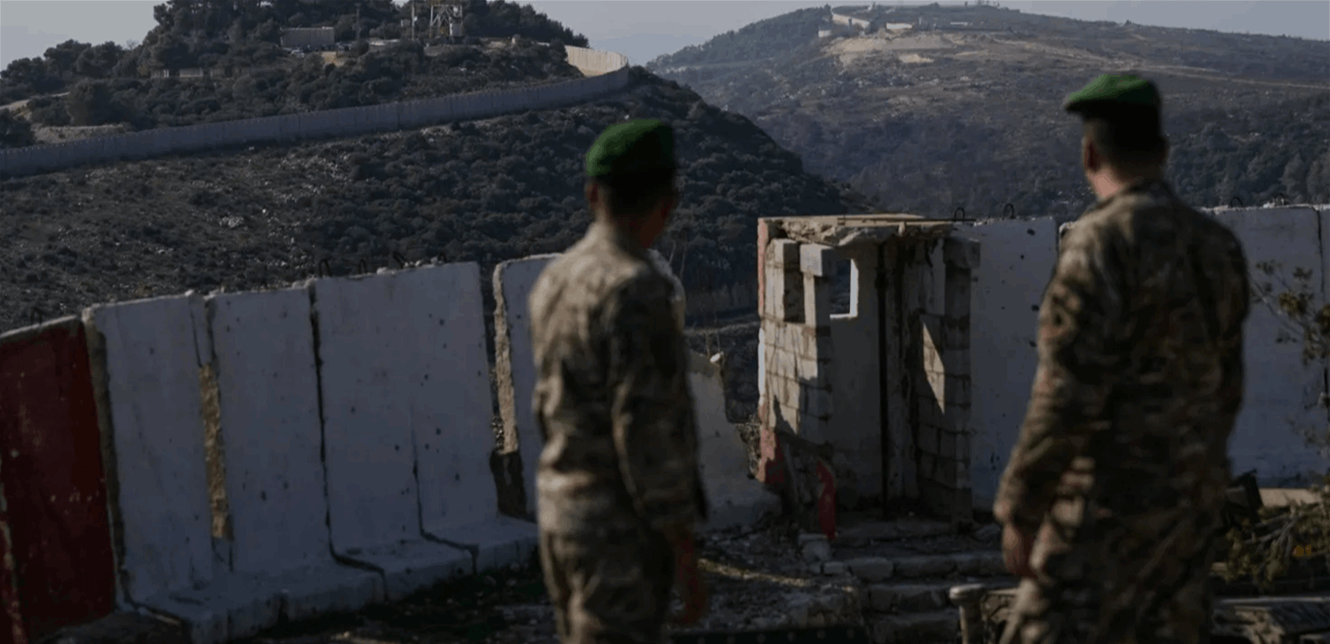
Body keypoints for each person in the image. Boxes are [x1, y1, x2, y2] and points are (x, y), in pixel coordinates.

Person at [993, 74, 1251, 644]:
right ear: (1163, 151)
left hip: (1106, 510)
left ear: (1090, 153)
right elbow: (1228, 386)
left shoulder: (1099, 244)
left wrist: (1022, 505)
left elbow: (1066, 391)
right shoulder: (1217, 246)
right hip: (1186, 513)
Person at [528, 119, 709, 644]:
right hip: (618, 533)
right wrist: (683, 548)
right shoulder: (635, 290)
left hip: (561, 515)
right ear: (667, 205)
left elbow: (547, 406)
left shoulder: (555, 280)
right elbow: (647, 431)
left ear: (592, 195)